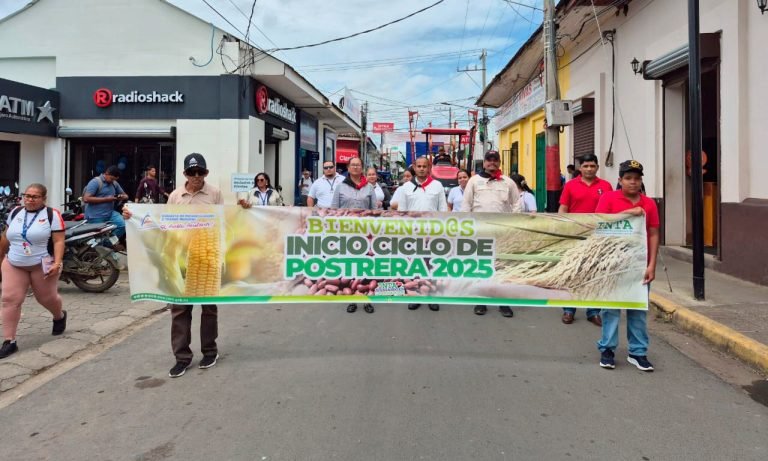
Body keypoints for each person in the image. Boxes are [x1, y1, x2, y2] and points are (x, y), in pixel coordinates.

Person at [123, 153, 224, 378]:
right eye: (191, 172)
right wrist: (133, 216)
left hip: (206, 257)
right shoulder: (176, 196)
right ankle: (182, 357)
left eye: (200, 172)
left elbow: (224, 220)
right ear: (185, 174)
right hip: (180, 258)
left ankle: (210, 351)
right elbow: (165, 222)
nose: (196, 177)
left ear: (206, 173)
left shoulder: (215, 193)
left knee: (209, 308)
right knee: (179, 309)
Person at [595, 160, 659, 372]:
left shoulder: (649, 203)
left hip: (639, 265)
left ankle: (638, 352)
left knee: (637, 310)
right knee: (611, 309)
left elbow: (653, 233)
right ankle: (607, 350)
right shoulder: (608, 198)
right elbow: (600, 223)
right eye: (628, 178)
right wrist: (628, 214)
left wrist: (652, 265)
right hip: (613, 263)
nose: (633, 182)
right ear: (620, 180)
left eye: (637, 178)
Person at [0, 184, 67, 359]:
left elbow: (59, 241)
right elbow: (6, 236)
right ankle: (9, 341)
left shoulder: (52, 215)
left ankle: (59, 316)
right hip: (14, 262)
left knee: (46, 298)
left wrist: (57, 262)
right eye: (27, 195)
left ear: (43, 198)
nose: (29, 199)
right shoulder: (15, 212)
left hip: (41, 263)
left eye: (34, 196)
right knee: (9, 299)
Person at [462, 150, 521, 318]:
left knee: (502, 266)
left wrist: (514, 225)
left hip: (502, 231)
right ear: (485, 162)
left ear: (500, 162)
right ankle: (481, 300)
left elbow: (517, 204)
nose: (492, 163)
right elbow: (466, 206)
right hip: (480, 230)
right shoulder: (474, 181)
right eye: (489, 160)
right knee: (481, 266)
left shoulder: (508, 182)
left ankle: (503, 302)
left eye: (495, 160)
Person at [558, 153, 613, 326]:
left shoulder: (606, 186)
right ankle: (569, 310)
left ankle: (593, 311)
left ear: (597, 167)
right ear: (580, 168)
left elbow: (611, 211)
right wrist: (563, 230)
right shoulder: (570, 186)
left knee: (594, 273)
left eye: (592, 166)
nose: (589, 169)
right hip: (575, 235)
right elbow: (563, 208)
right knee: (573, 272)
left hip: (598, 236)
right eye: (586, 166)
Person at [398, 156, 447, 312]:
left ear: (429, 167)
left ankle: (432, 295)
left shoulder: (437, 186)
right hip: (413, 234)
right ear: (414, 167)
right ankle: (417, 295)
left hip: (432, 232)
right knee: (415, 265)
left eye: (424, 166)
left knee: (432, 265)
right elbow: (402, 212)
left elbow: (443, 211)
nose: (421, 169)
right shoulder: (406, 187)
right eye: (418, 166)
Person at [330, 156, 377, 314]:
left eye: (358, 165)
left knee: (366, 266)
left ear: (362, 168)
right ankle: (351, 299)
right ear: (348, 168)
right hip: (347, 233)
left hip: (365, 234)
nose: (356, 167)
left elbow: (374, 211)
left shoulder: (369, 188)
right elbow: (334, 210)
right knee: (350, 266)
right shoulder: (340, 187)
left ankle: (365, 299)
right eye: (353, 165)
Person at [83, 165, 129, 241]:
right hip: (95, 216)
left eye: (114, 180)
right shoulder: (95, 182)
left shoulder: (114, 183)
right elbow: (86, 198)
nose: (112, 181)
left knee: (122, 225)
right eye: (111, 179)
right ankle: (102, 246)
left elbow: (125, 195)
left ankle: (108, 243)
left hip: (110, 213)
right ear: (107, 173)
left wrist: (121, 197)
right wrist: (107, 199)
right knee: (98, 238)